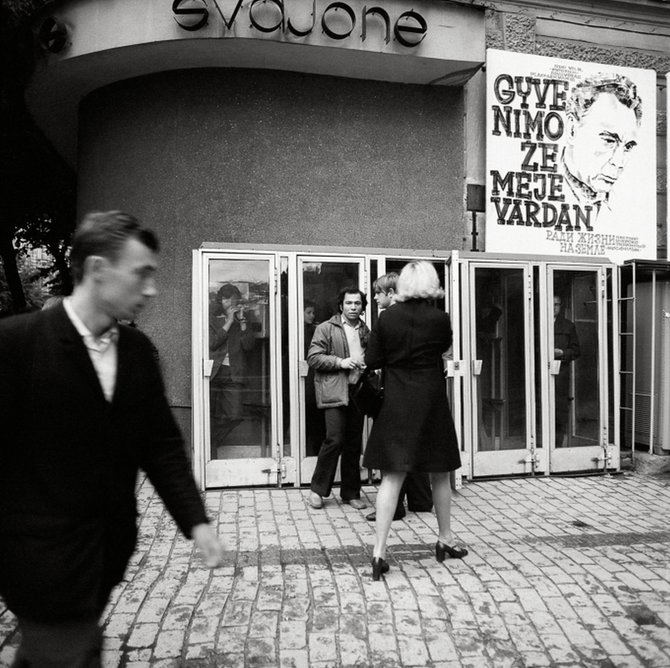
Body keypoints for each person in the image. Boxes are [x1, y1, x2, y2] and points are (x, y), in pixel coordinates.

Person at [0, 211, 224, 667]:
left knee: (58, 652)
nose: (151, 289)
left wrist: (196, 522)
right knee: (68, 651)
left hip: (107, 552)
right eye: (141, 274)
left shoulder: (138, 352)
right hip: (38, 558)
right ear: (99, 270)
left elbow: (160, 444)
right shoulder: (17, 344)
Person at [363, 260, 467, 580]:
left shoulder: (386, 318)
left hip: (396, 401)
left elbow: (373, 360)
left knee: (392, 477)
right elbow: (443, 351)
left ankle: (379, 551)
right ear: (431, 283)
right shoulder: (440, 319)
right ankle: (445, 539)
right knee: (439, 473)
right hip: (431, 400)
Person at [365, 272, 433, 523]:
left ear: (391, 294)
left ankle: (394, 508)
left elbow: (372, 360)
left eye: (378, 293)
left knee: (392, 449)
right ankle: (422, 500)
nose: (374, 297)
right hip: (422, 391)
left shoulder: (387, 319)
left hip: (397, 392)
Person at [307, 287, 370, 510]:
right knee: (333, 439)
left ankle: (351, 493)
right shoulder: (326, 328)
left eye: (357, 303)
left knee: (354, 443)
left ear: (363, 307)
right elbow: (313, 358)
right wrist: (340, 362)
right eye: (349, 303)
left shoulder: (365, 330)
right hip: (334, 391)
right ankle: (317, 491)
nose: (353, 307)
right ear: (341, 306)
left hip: (357, 391)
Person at [561, 73, 642, 213]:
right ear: (572, 129)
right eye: (609, 140)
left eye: (628, 146)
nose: (618, 163)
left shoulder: (629, 210)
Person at [209, 283, 255, 458]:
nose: (228, 302)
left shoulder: (241, 319)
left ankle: (211, 441)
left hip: (233, 372)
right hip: (213, 372)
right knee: (210, 415)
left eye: (232, 298)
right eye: (225, 298)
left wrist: (243, 323)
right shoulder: (212, 318)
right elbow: (213, 343)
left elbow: (249, 346)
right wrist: (228, 321)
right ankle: (210, 451)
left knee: (235, 415)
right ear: (220, 300)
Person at [553, 294, 581, 447]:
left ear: (560, 306)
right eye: (550, 304)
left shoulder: (568, 326)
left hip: (560, 376)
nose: (553, 308)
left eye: (556, 304)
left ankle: (557, 446)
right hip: (539, 375)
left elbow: (576, 351)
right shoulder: (537, 323)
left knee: (559, 411)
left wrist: (562, 353)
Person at [303, 299, 325, 456]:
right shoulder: (301, 332)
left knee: (314, 420)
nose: (312, 316)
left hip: (312, 381)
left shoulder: (314, 330)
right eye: (308, 313)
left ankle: (313, 453)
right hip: (307, 380)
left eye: (313, 313)